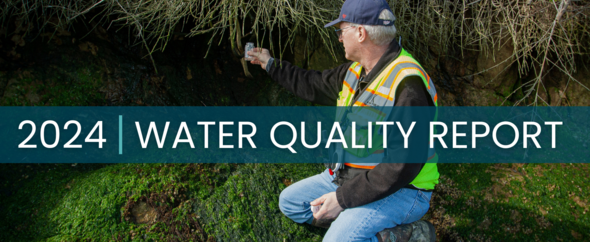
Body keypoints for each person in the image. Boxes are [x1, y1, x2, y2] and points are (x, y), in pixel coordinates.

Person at [248, 0, 439, 241]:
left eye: (341, 30)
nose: (339, 38)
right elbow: (313, 84)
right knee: (292, 203)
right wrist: (270, 64)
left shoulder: (408, 85)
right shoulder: (357, 70)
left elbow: (401, 167)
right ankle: (356, 226)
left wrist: (342, 200)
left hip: (403, 190)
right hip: (350, 177)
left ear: (361, 33)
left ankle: (410, 235)